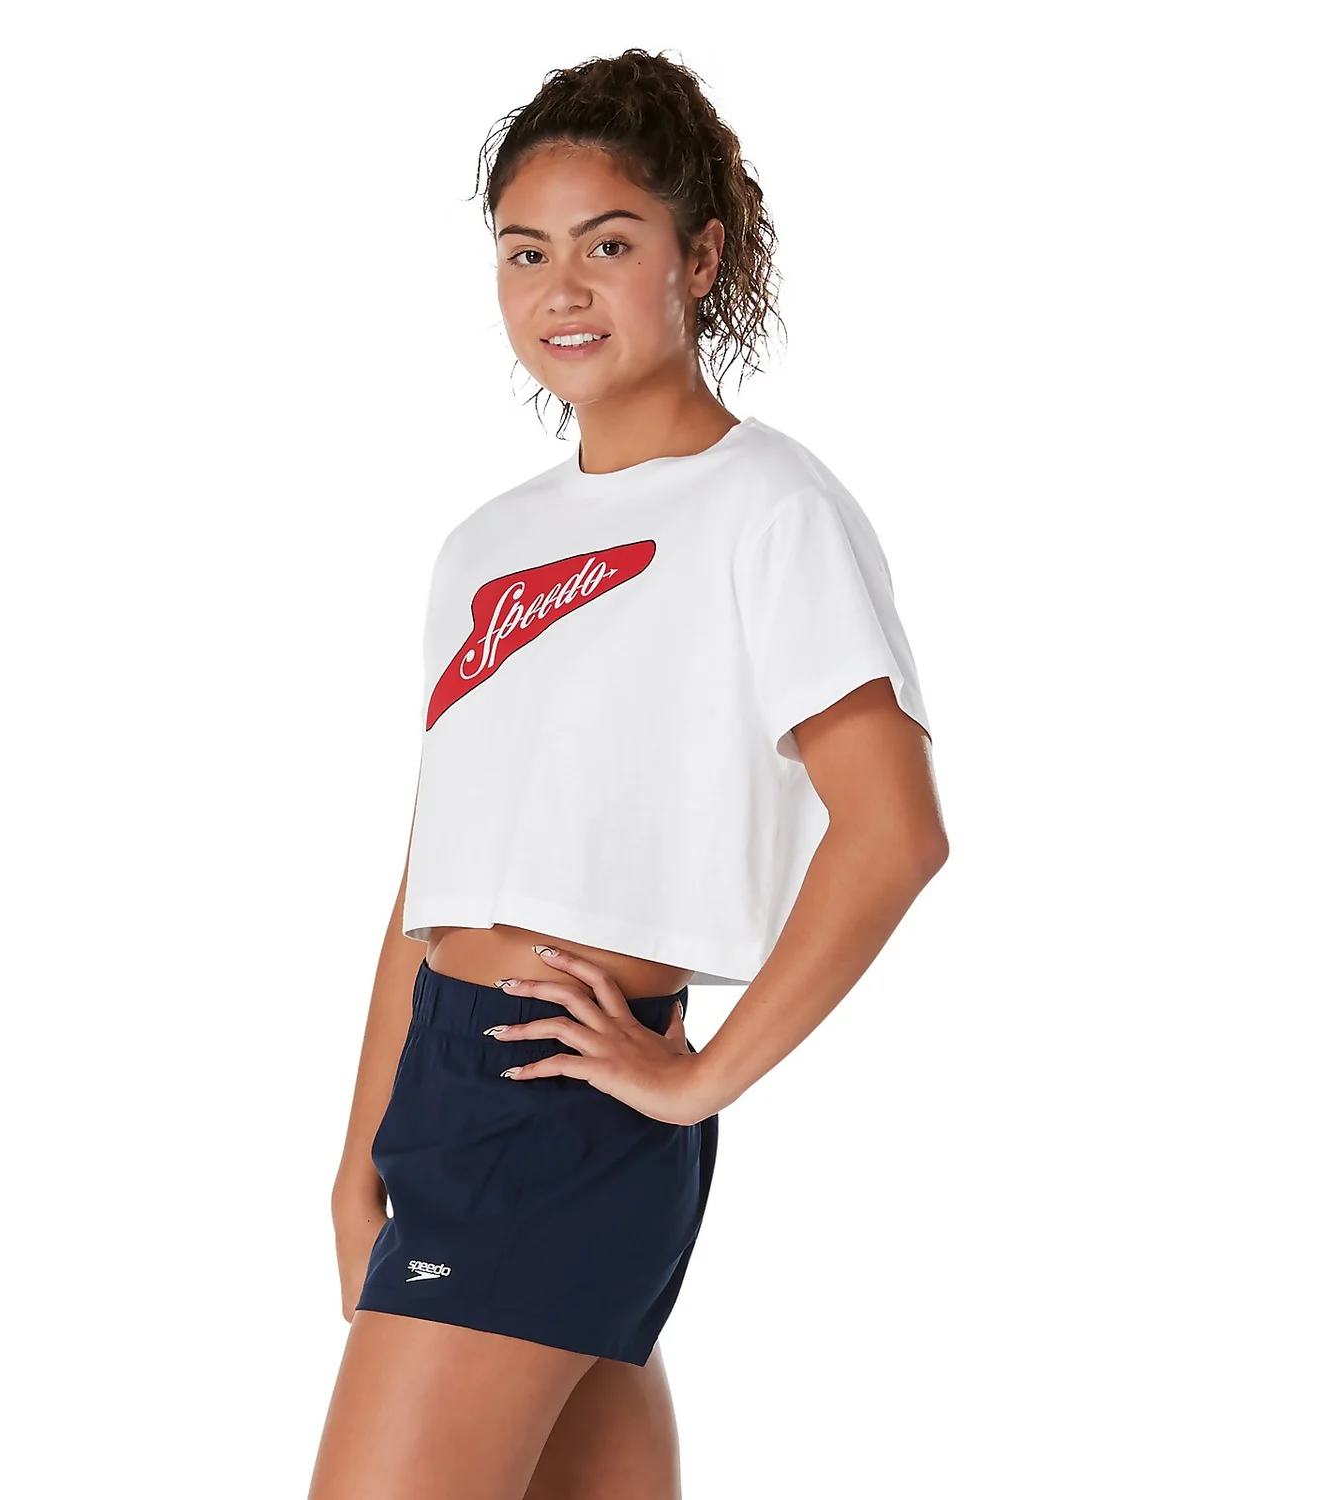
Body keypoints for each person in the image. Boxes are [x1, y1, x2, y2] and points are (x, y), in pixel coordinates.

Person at [307, 47, 948, 1500]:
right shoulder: (484, 546)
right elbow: (434, 873)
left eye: (608, 244)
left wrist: (702, 1077)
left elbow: (895, 828)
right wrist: (357, 1157)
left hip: (558, 1093)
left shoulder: (769, 509)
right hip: (449, 1086)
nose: (562, 289)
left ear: (700, 257)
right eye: (524, 252)